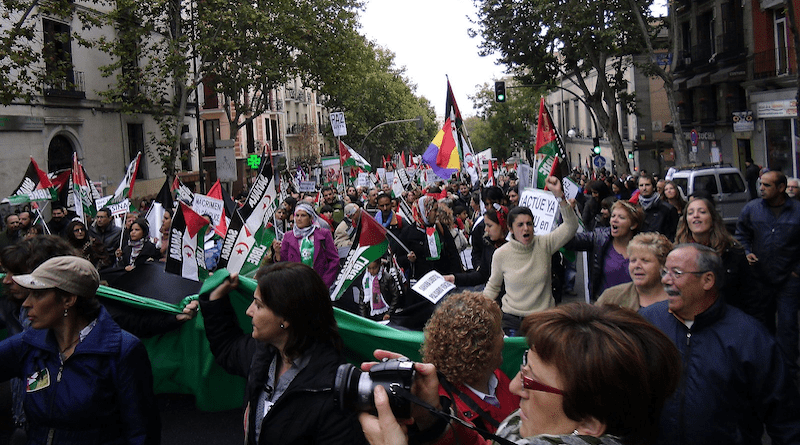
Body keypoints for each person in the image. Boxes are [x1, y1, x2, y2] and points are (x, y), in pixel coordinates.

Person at [359, 303, 680, 445]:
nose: (513, 384)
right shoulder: (523, 432)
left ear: (590, 424)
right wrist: (432, 421)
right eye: (524, 363)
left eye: (530, 380)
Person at [640, 244, 800, 445]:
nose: (665, 280)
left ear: (707, 280)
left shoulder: (750, 338)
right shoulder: (647, 324)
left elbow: (785, 421)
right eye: (665, 272)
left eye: (676, 273)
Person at [199, 263, 367, 445]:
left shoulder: (334, 393)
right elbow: (228, 348)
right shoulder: (262, 353)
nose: (249, 311)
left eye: (259, 305)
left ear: (286, 318)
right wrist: (215, 300)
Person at [0, 256, 161, 444]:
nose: (27, 303)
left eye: (38, 294)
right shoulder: (29, 344)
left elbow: (141, 432)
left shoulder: (122, 351)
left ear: (68, 299)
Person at [484, 176, 579, 335]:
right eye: (520, 225)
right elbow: (493, 287)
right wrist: (477, 308)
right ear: (511, 229)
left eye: (529, 223)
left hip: (543, 320)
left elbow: (571, 226)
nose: (526, 229)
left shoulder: (545, 243)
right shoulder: (500, 254)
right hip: (512, 321)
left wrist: (560, 197)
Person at [421, 292, 519, 434]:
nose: (504, 335)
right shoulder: (448, 411)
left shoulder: (496, 376)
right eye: (498, 331)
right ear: (479, 348)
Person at [734, 170, 800, 378]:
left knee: (788, 325)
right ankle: (767, 367)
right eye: (760, 184)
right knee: (763, 323)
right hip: (760, 277)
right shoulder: (752, 209)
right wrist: (746, 252)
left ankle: (789, 371)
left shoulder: (797, 211)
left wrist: (797, 271)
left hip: (788, 278)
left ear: (781, 188)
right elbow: (741, 234)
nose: (761, 188)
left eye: (767, 185)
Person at [676, 197, 757, 318]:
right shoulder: (677, 253)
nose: (696, 216)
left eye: (702, 212)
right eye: (690, 213)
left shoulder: (733, 251)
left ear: (713, 218)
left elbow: (749, 293)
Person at [565, 201, 644, 301]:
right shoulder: (599, 238)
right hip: (605, 309)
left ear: (633, 225)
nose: (614, 220)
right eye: (613, 216)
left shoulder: (644, 248)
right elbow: (568, 241)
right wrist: (566, 211)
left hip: (633, 310)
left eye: (621, 217)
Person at [596, 232, 672, 310]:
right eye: (633, 260)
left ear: (663, 265)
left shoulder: (677, 298)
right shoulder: (611, 297)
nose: (637, 266)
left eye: (645, 260)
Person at [444, 206, 508, 291]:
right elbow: (482, 275)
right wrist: (455, 278)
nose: (486, 229)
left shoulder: (512, 250)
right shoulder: (489, 245)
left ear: (502, 225)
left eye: (489, 225)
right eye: (485, 225)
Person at [279, 203, 339, 287]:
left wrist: (325, 283)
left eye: (303, 215)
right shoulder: (288, 236)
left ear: (311, 217)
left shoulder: (324, 234)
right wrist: (277, 253)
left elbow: (334, 260)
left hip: (318, 284)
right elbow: (283, 262)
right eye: (297, 215)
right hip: (295, 286)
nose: (299, 219)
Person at [637, 175, 678, 240]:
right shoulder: (636, 208)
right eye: (641, 185)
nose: (644, 188)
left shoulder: (667, 209)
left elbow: (673, 234)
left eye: (647, 185)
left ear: (653, 187)